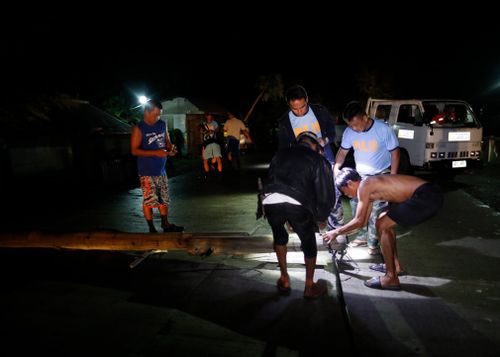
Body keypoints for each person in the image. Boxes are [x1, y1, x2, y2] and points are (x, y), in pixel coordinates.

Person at [323, 167, 443, 290]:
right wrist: (339, 232)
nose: (347, 196)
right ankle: (395, 267)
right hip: (429, 194)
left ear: (350, 183)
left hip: (426, 196)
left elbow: (358, 221)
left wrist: (336, 232)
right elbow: (362, 222)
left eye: (345, 191)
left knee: (383, 224)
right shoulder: (368, 187)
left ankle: (391, 278)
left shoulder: (365, 185)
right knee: (382, 219)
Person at [262, 131, 335, 299]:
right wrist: (321, 217)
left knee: (280, 238)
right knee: (308, 242)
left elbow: (272, 180)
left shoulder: (279, 155)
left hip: (270, 201)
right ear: (315, 145)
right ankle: (309, 287)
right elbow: (325, 194)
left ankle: (284, 278)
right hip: (297, 204)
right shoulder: (318, 160)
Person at [334, 101, 400, 255]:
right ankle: (363, 236)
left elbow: (395, 153)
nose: (354, 129)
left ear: (365, 117)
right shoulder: (349, 132)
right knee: (358, 207)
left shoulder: (383, 129)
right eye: (350, 126)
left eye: (356, 125)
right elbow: (342, 152)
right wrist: (336, 167)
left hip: (381, 175)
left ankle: (373, 244)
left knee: (376, 212)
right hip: (360, 177)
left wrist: (393, 178)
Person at [277, 84, 344, 234]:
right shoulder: (284, 121)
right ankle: (311, 232)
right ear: (288, 104)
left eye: (302, 106)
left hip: (325, 157)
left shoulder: (320, 111)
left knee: (333, 193)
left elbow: (332, 132)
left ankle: (337, 232)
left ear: (307, 100)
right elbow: (283, 148)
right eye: (295, 108)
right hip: (302, 163)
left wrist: (324, 140)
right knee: (307, 195)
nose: (299, 111)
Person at [130, 99, 184, 233]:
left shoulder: (162, 124)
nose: (158, 117)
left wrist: (172, 149)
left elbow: (167, 142)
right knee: (149, 200)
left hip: (161, 170)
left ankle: (166, 224)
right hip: (147, 171)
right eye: (155, 115)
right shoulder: (139, 128)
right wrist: (156, 152)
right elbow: (134, 150)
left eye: (159, 115)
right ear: (146, 112)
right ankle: (151, 228)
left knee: (164, 198)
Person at [201, 113, 222, 177]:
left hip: (213, 141)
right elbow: (201, 132)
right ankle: (207, 174)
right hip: (207, 142)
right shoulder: (203, 124)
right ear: (206, 117)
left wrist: (212, 131)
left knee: (217, 158)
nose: (209, 118)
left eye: (210, 117)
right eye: (208, 116)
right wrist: (205, 132)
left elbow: (218, 129)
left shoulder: (214, 123)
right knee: (205, 159)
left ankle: (219, 174)